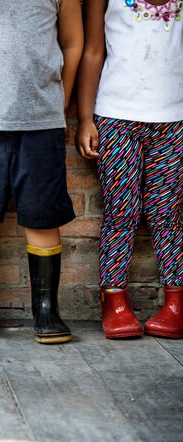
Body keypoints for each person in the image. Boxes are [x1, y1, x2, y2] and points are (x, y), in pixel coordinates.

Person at [0, 0, 84, 344]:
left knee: (42, 215)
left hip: (41, 119)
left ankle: (46, 308)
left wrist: (60, 100)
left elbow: (73, 41)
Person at [76, 0, 183, 339]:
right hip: (115, 118)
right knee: (121, 212)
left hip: (173, 120)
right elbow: (93, 51)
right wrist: (84, 119)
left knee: (167, 213)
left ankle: (176, 303)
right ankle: (114, 300)